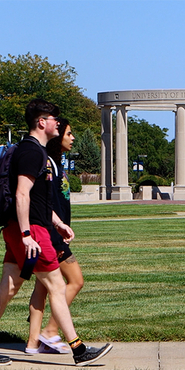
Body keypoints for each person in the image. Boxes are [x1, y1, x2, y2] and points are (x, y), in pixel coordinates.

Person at [0, 99, 112, 366]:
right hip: (31, 231)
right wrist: (28, 234)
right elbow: (22, 194)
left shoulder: (36, 151)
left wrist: (57, 221)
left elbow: (38, 199)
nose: (58, 124)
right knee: (58, 286)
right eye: (54, 120)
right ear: (42, 122)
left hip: (23, 228)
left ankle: (73, 347)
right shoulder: (32, 152)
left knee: (10, 287)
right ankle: (78, 349)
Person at [26, 118, 84, 354]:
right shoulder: (48, 164)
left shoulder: (56, 163)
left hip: (50, 233)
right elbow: (46, 203)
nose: (71, 137)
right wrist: (56, 233)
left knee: (41, 288)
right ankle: (50, 331)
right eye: (68, 133)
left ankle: (32, 343)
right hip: (49, 235)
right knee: (75, 281)